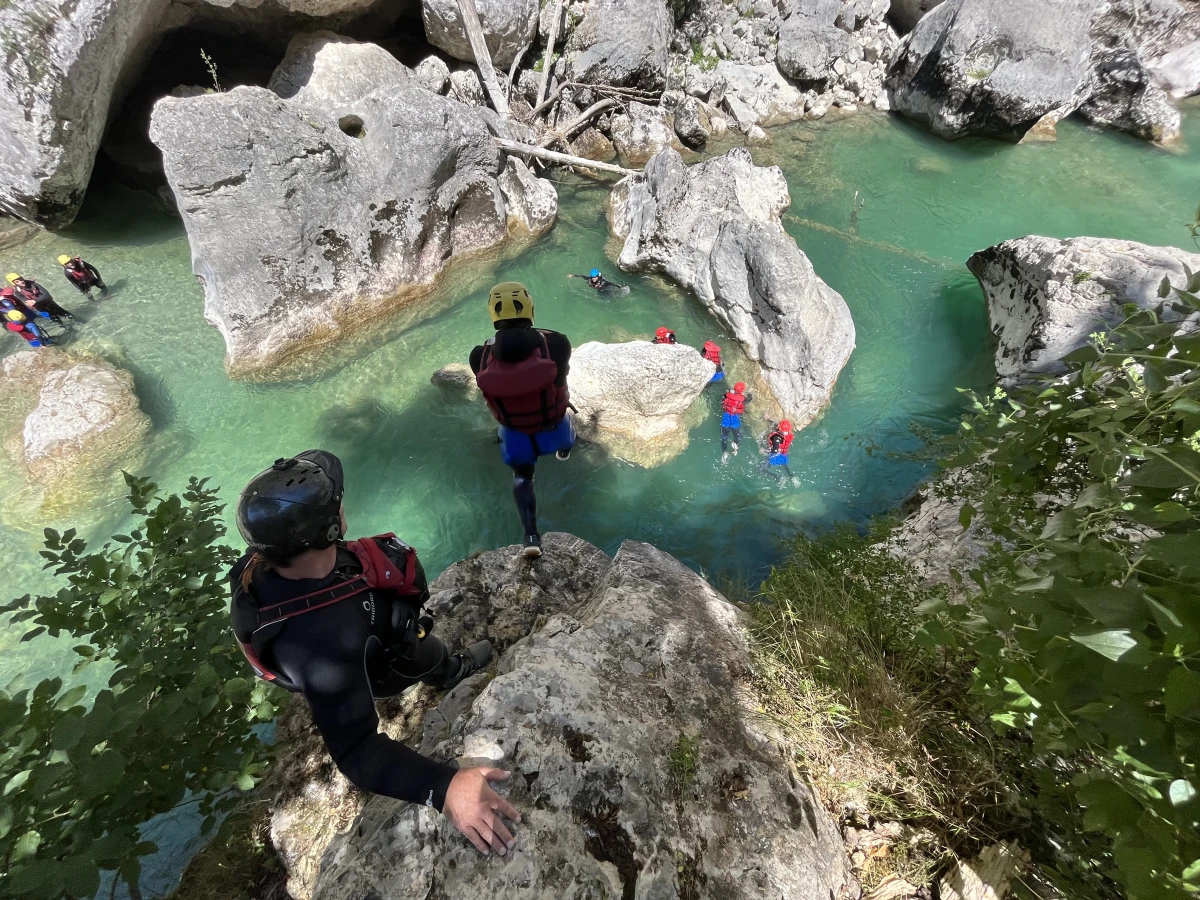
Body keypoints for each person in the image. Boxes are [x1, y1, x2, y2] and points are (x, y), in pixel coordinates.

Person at [229, 450, 518, 857]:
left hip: (343, 648)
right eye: (336, 502)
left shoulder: (261, 564)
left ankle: (436, 663)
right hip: (374, 662)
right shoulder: (323, 644)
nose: (342, 502)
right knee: (424, 651)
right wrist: (446, 787)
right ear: (330, 529)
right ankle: (451, 670)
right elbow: (356, 751)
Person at [469, 281, 574, 558]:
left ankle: (530, 536)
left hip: (515, 432)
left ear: (493, 315)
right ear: (530, 309)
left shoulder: (479, 357)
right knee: (567, 420)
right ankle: (564, 450)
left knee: (522, 478)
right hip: (553, 426)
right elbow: (561, 379)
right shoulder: (556, 344)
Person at [7, 273, 72, 324]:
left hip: (50, 304)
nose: (21, 281)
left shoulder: (35, 285)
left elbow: (47, 295)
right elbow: (29, 303)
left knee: (68, 315)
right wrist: (39, 300)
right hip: (42, 309)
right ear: (14, 284)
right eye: (17, 281)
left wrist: (35, 301)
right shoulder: (17, 292)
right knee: (57, 321)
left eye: (20, 279)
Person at [720, 381, 752, 463]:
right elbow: (749, 399)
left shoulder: (726, 395)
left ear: (734, 388)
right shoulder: (743, 399)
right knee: (738, 438)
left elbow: (723, 400)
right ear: (742, 391)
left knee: (724, 438)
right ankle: (735, 445)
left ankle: (724, 452)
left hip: (725, 420)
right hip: (735, 421)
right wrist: (750, 393)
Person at [760, 419, 797, 486]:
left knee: (762, 469)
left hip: (775, 456)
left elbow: (775, 450)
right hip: (784, 456)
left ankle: (778, 477)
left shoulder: (776, 437)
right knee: (785, 466)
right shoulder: (790, 435)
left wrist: (764, 451)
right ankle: (793, 478)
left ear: (780, 428)